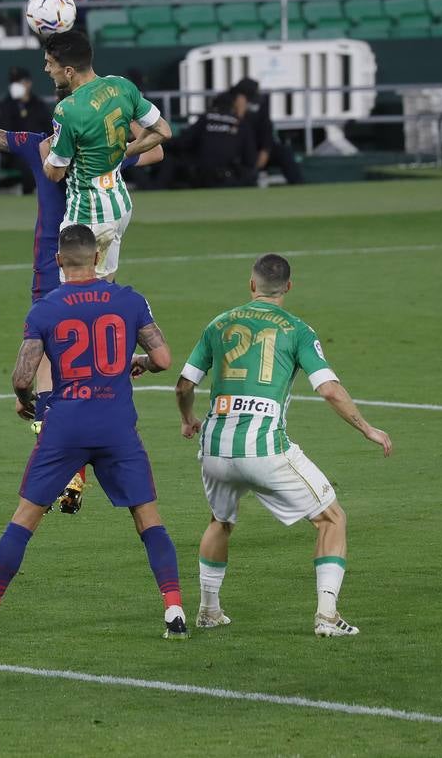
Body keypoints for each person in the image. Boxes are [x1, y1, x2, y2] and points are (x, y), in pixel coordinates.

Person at [0, 72, 164, 512]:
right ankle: (101, 444)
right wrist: (121, 110)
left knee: (47, 361)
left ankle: (65, 465)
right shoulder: (101, 148)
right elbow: (157, 149)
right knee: (96, 356)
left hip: (50, 265)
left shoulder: (39, 145)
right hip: (95, 269)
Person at [0, 224, 186, 640]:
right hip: (116, 425)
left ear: (59, 260)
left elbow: (22, 376)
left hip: (65, 427)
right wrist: (139, 363)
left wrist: (26, 401)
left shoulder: (45, 309)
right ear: (97, 258)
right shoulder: (130, 300)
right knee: (147, 517)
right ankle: (174, 610)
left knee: (25, 519)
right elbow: (164, 358)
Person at [176, 253, 392, 634]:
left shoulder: (219, 324)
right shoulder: (297, 330)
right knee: (332, 518)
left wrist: (187, 418)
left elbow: (184, 385)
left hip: (214, 447)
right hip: (263, 448)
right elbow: (328, 389)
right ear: (288, 287)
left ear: (251, 284)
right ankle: (326, 616)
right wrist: (366, 428)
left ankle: (209, 610)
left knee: (220, 521)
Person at [41, 30, 172, 281]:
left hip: (89, 212)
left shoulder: (68, 109)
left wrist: (47, 153)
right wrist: (122, 153)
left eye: (50, 63)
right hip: (119, 204)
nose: (46, 69)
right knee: (105, 287)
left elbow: (55, 173)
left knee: (76, 295)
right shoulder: (121, 85)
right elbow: (163, 131)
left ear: (69, 71)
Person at [160, 91, 255, 189]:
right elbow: (250, 159)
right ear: (233, 106)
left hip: (201, 177)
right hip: (229, 179)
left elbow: (183, 142)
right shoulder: (241, 124)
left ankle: (157, 188)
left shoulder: (205, 119)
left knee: (169, 159)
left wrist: (162, 144)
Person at [231, 77, 305, 186]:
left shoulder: (260, 105)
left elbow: (266, 129)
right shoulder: (226, 105)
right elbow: (230, 134)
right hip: (238, 150)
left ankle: (298, 186)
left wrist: (265, 150)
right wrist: (239, 116)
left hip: (257, 148)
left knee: (284, 153)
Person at [0, 67, 53, 193]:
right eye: (14, 83)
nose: (16, 86)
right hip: (15, 151)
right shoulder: (5, 105)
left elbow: (50, 128)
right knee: (27, 163)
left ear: (28, 83)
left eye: (20, 82)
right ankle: (29, 191)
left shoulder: (38, 104)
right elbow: (2, 130)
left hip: (42, 147)